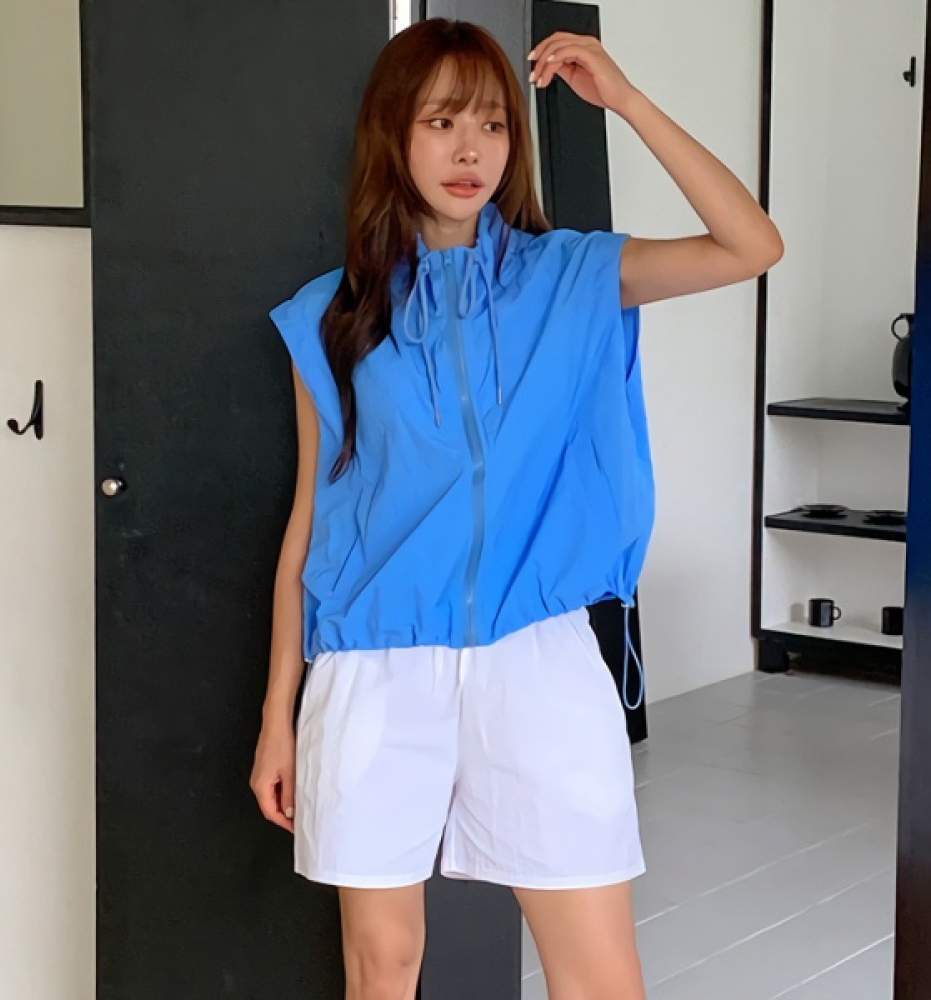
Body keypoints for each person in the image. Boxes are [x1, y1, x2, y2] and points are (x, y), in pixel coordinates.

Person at [251, 17, 782, 1000]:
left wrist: (624, 101)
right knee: (382, 967)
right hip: (374, 666)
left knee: (598, 976)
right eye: (441, 122)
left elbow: (750, 245)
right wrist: (276, 715)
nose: (470, 151)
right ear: (391, 136)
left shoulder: (574, 277)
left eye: (493, 124)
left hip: (538, 658)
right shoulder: (331, 316)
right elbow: (309, 528)